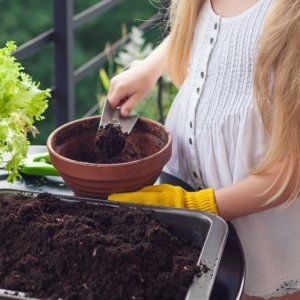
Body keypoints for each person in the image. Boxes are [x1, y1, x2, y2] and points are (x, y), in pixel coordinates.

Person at [106, 0, 300, 299]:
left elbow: (289, 178)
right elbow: (202, 28)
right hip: (191, 208)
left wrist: (194, 207)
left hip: (263, 236)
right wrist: (150, 67)